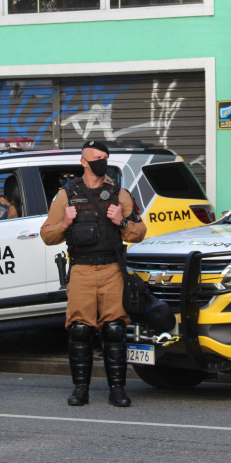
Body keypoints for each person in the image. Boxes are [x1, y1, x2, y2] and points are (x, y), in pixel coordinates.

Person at [40, 140, 146, 408]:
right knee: (79, 330)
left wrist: (120, 221)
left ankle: (118, 390)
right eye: (97, 157)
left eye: (105, 157)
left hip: (112, 269)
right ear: (83, 162)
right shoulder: (65, 196)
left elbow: (140, 232)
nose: (103, 161)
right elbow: (47, 235)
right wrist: (65, 223)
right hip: (82, 270)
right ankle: (80, 389)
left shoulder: (120, 194)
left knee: (114, 330)